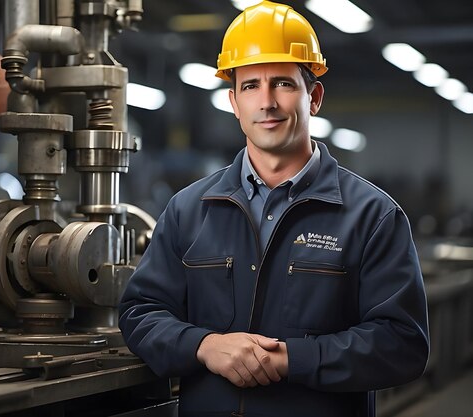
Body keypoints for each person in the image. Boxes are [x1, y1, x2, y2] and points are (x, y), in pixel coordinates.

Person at [118, 1, 430, 416]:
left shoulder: (372, 217)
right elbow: (141, 312)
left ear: (313, 96)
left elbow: (402, 343)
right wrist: (204, 345)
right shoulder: (188, 210)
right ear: (233, 102)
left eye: (282, 83)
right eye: (250, 86)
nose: (266, 102)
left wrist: (291, 359)